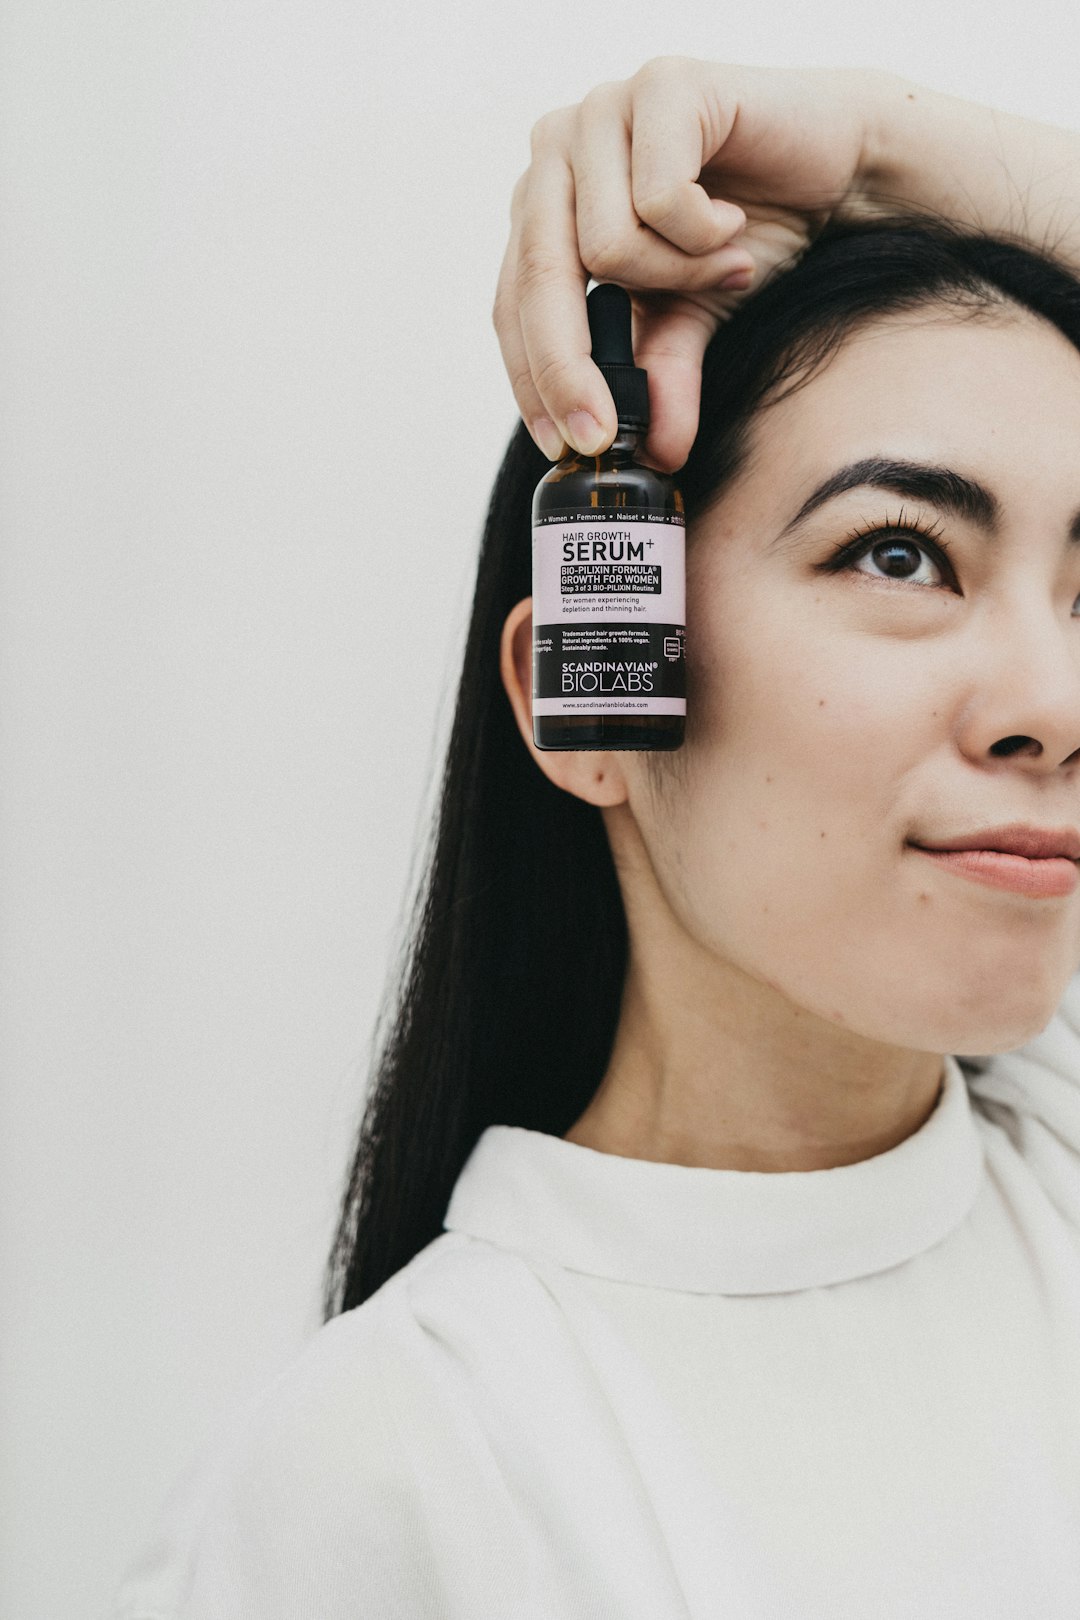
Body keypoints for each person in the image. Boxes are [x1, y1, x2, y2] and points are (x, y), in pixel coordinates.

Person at [105, 61, 1080, 1620]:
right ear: (594, 697)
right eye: (901, 551)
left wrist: (877, 157)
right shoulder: (393, 1475)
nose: (1054, 697)